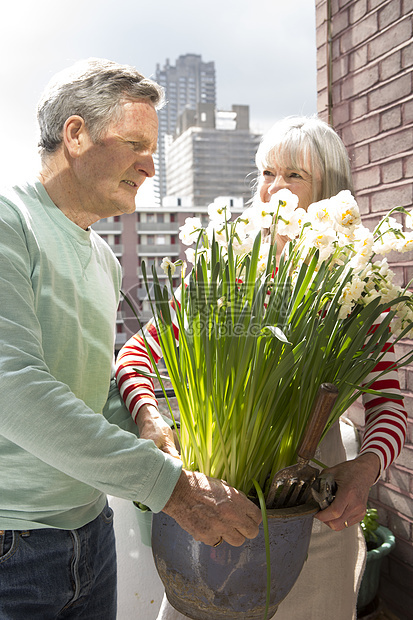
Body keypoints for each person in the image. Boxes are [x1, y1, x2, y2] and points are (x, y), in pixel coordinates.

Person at [115, 116, 408, 620]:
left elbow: (388, 404)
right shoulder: (222, 270)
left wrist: (364, 470)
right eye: (267, 173)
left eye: (294, 176)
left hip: (313, 515)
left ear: (331, 195)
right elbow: (136, 355)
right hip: (213, 508)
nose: (274, 189)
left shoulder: (356, 288)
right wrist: (149, 417)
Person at [0, 57, 261, 620]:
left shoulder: (101, 256)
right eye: (136, 144)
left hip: (93, 535)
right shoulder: (7, 221)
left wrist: (143, 418)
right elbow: (12, 389)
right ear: (76, 134)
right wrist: (175, 490)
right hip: (12, 548)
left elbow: (89, 386)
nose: (150, 164)